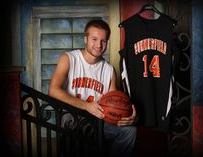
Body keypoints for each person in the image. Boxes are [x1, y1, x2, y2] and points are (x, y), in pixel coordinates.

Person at [48, 19, 137, 157]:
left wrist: (127, 116)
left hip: (98, 119)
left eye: (103, 40)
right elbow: (53, 91)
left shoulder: (109, 70)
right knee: (85, 131)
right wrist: (87, 106)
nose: (99, 45)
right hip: (72, 117)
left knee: (129, 131)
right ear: (85, 39)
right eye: (94, 39)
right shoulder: (69, 59)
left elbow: (115, 104)